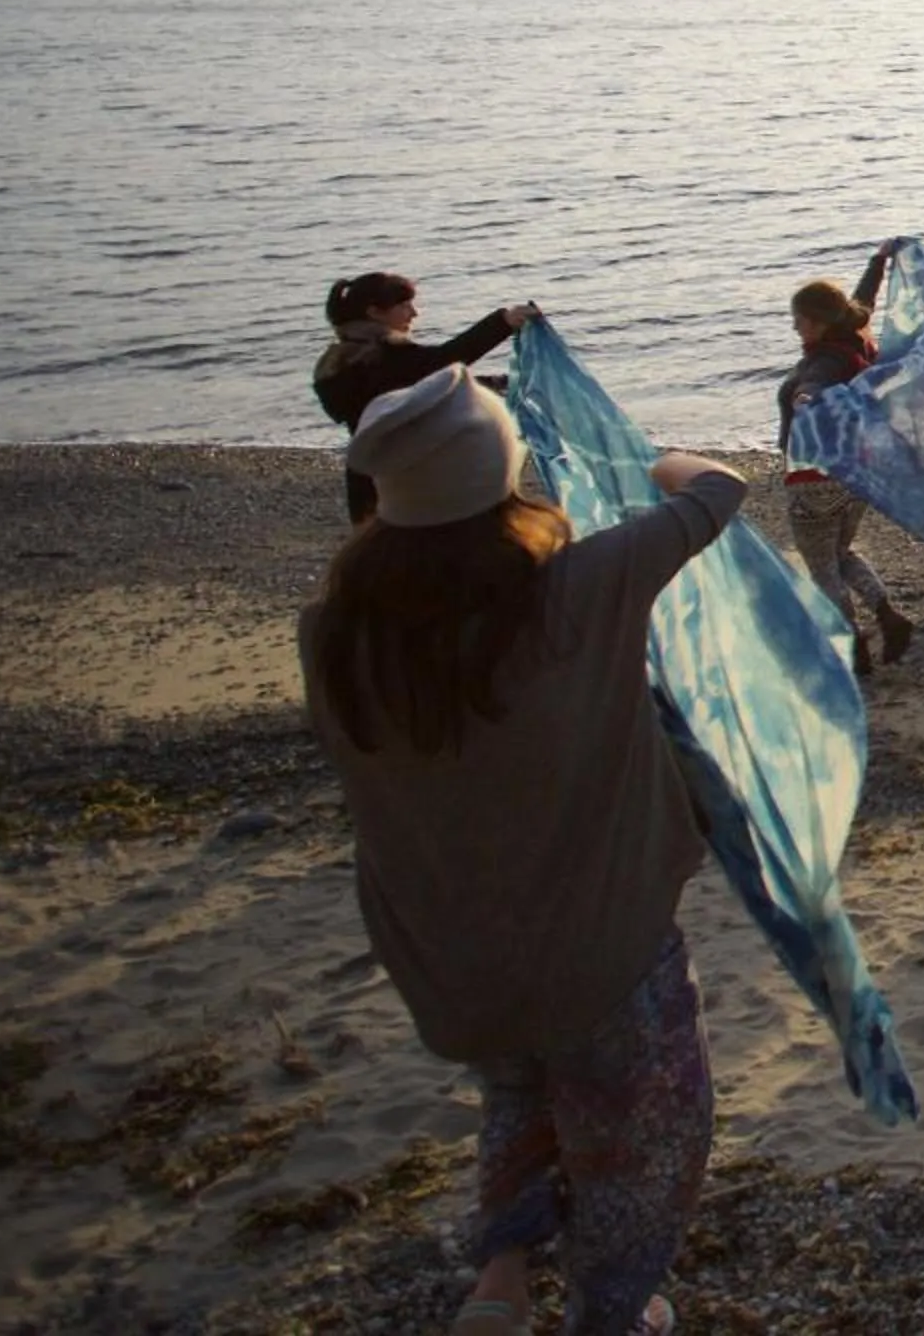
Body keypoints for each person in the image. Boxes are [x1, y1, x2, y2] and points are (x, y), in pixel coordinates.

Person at [297, 366, 744, 1335]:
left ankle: (501, 1275)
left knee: (517, 1088)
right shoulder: (582, 585)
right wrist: (643, 455)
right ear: (504, 475)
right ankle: (609, 1311)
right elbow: (719, 491)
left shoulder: (333, 632)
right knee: (646, 1136)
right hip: (602, 955)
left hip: (449, 964)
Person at [778, 242, 918, 678]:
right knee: (841, 552)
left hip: (811, 477)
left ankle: (852, 644)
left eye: (799, 320)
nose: (795, 328)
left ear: (818, 323)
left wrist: (805, 399)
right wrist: (879, 260)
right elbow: (864, 300)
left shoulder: (822, 361)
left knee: (823, 568)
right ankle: (887, 614)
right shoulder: (855, 338)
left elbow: (815, 385)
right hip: (855, 473)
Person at [313, 272, 537, 524]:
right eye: (404, 305)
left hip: (365, 470)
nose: (414, 313)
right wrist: (504, 321)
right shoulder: (382, 356)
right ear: (375, 312)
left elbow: (418, 379)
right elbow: (442, 363)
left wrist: (497, 383)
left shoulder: (343, 359)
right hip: (404, 473)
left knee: (378, 552)